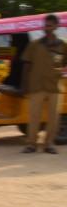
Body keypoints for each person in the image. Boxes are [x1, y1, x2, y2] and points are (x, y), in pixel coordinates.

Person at [21, 14, 65, 154]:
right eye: (45, 25)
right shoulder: (34, 44)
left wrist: (60, 72)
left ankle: (49, 144)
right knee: (34, 116)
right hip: (36, 85)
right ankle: (31, 144)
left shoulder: (63, 45)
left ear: (57, 26)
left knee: (54, 117)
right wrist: (24, 84)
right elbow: (26, 65)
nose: (47, 28)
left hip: (54, 86)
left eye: (50, 25)